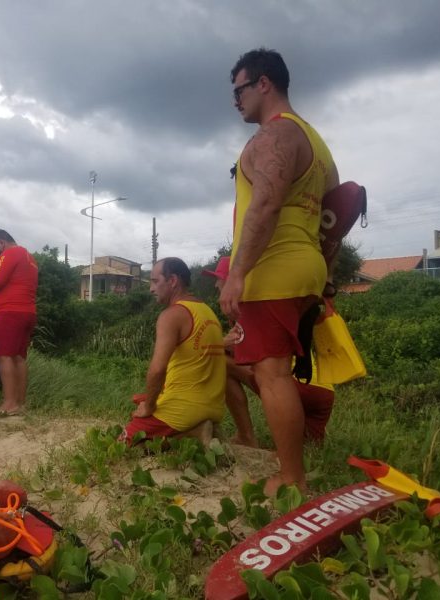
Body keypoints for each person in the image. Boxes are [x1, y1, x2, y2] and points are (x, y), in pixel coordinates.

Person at [218, 48, 339, 494]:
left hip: (272, 269)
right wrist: (326, 272)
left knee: (271, 374)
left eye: (239, 90)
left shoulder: (273, 137)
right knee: (276, 371)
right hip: (305, 266)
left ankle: (291, 477)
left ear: (264, 84)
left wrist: (237, 273)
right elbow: (335, 214)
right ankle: (301, 440)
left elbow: (265, 204)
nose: (235, 100)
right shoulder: (315, 141)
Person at [204, 256, 335, 446]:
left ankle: (245, 436)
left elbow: (236, 352)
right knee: (309, 447)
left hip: (296, 387)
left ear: (233, 279)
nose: (216, 283)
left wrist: (221, 343)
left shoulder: (248, 308)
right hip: (323, 394)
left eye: (219, 277)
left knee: (221, 361)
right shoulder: (270, 300)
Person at [122, 258, 226, 444]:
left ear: (172, 281)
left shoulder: (171, 316)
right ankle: (197, 426)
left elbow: (157, 370)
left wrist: (150, 407)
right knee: (140, 398)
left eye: (155, 281)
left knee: (124, 442)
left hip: (185, 409)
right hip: (214, 407)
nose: (151, 289)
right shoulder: (207, 311)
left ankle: (192, 433)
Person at [0, 229, 38, 416]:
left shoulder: (9, 253)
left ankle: (9, 403)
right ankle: (20, 403)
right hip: (27, 311)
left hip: (9, 312)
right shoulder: (29, 257)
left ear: (1, 243)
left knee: (3, 356)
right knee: (18, 357)